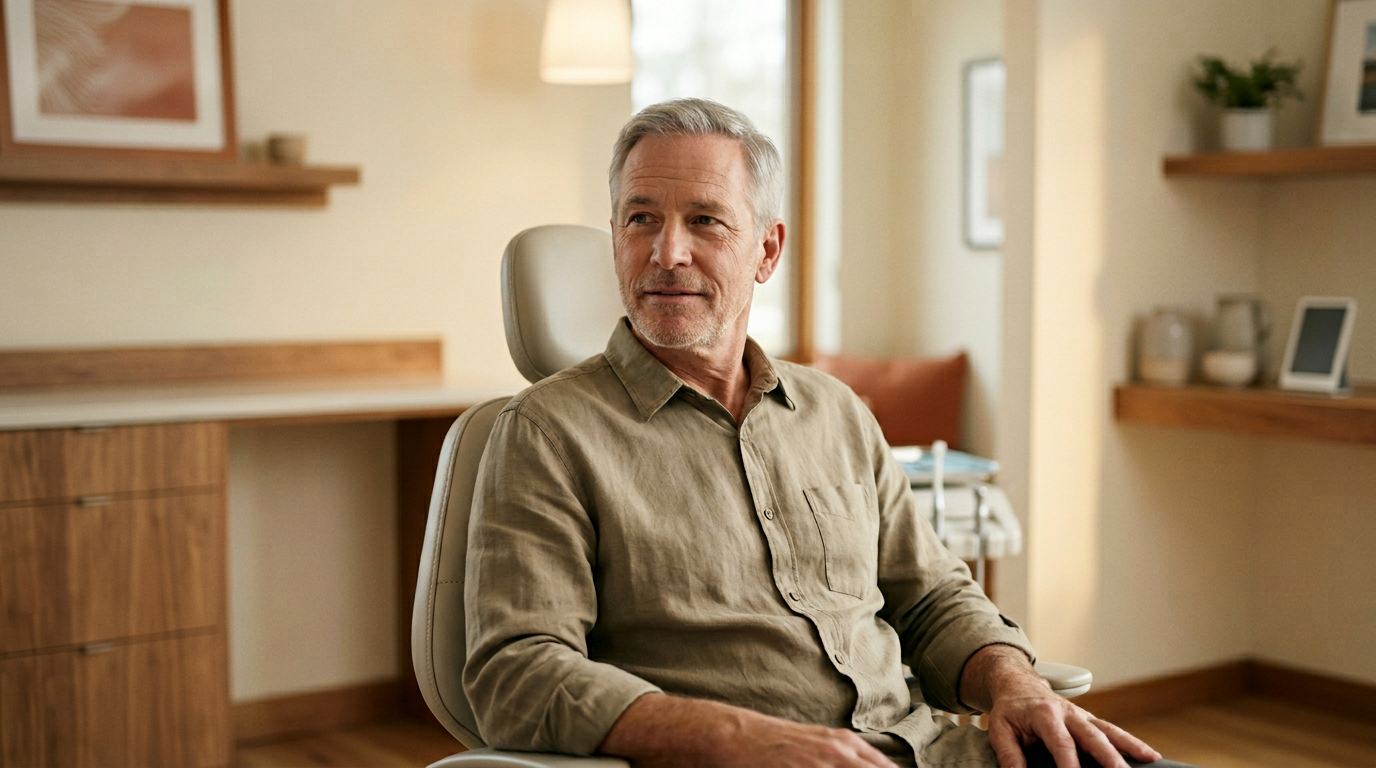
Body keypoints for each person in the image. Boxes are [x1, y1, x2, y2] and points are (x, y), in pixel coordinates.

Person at [464, 98, 1180, 768]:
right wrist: (749, 740)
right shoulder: (546, 434)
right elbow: (516, 673)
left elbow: (931, 599)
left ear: (767, 252)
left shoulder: (836, 411)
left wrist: (1014, 683)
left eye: (706, 221)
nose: (667, 252)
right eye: (640, 219)